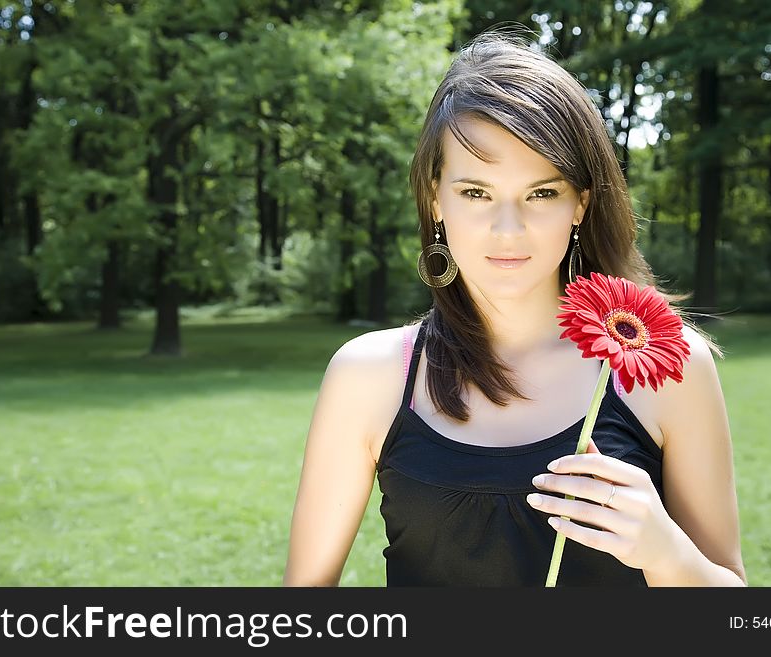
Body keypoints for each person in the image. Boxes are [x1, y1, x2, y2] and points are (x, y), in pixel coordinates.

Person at [282, 29, 746, 587]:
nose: (508, 230)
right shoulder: (368, 375)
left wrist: (668, 553)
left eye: (541, 193)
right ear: (435, 198)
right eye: (475, 193)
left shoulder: (667, 368)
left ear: (580, 204)